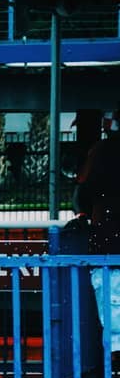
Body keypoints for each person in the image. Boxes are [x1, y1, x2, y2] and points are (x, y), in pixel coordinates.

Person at [76, 107, 120, 357]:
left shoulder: (102, 152)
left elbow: (86, 190)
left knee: (114, 316)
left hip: (109, 242)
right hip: (110, 241)